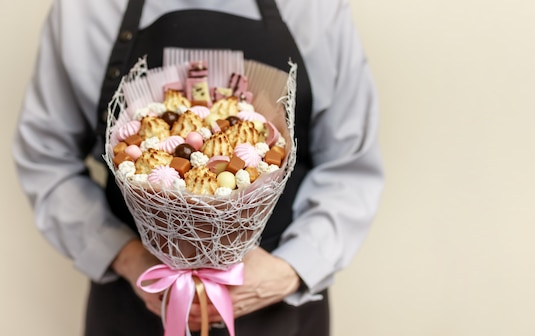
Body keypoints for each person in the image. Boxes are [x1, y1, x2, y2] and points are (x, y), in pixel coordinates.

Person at [13, 0, 384, 335]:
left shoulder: (314, 8)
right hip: (132, 300)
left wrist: (293, 268)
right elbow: (46, 158)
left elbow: (350, 166)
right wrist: (124, 256)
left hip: (280, 306)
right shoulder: (84, 10)